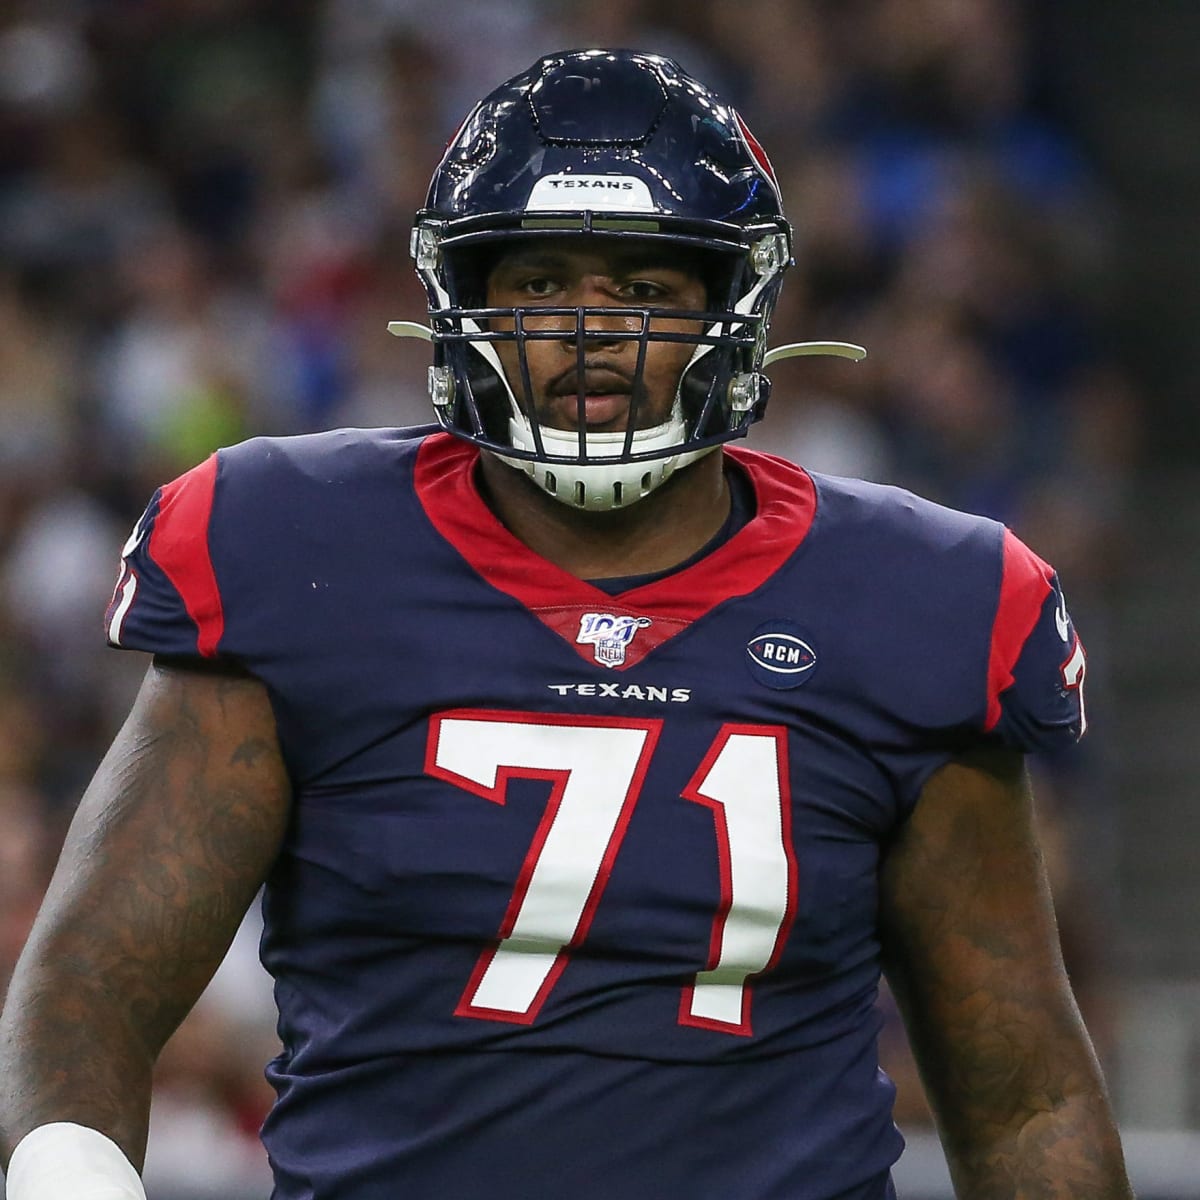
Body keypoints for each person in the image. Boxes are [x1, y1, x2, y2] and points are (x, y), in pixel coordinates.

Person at [0, 48, 1133, 1200]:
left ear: (730, 308)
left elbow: (1025, 1098)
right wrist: (69, 1173)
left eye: (643, 289)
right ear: (464, 300)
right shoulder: (295, 550)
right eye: (540, 283)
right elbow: (92, 978)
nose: (590, 329)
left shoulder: (916, 601)